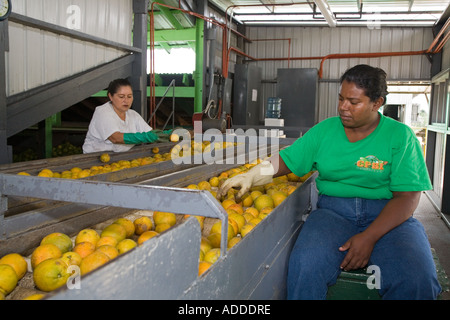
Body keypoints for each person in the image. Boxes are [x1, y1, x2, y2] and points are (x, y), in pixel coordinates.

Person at [217, 64, 442, 300]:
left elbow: (408, 198)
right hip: (334, 214)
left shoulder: (400, 137)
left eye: (353, 102)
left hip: (388, 216)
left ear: (377, 103)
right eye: (341, 98)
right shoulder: (325, 131)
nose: (343, 107)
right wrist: (252, 175)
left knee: (418, 279)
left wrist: (369, 237)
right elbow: (287, 159)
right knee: (305, 266)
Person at [82, 78, 171, 153]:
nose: (126, 101)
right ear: (110, 96)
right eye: (121, 96)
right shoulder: (103, 112)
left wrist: (167, 134)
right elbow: (115, 138)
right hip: (95, 159)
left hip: (121, 158)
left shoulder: (133, 115)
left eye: (129, 96)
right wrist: (144, 137)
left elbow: (150, 133)